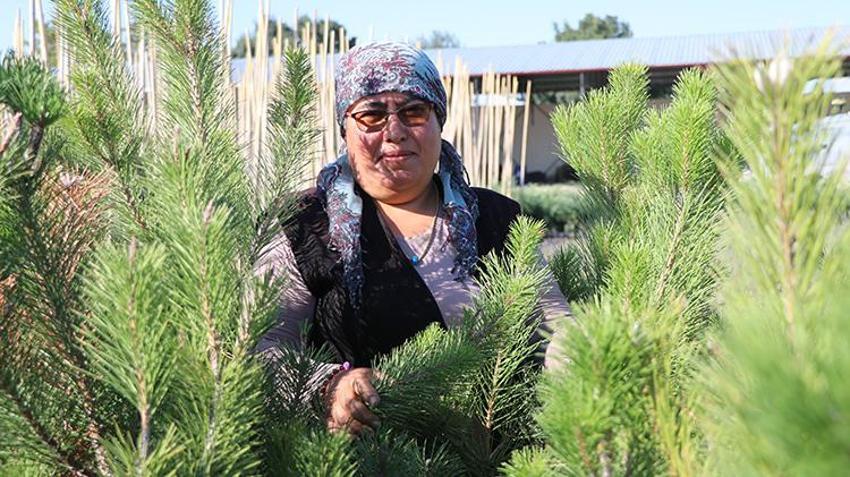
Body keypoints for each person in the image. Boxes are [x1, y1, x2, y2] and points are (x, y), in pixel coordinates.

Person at [256, 41, 570, 436]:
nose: (395, 132)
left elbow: (557, 326)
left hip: (496, 455)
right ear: (345, 129)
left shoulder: (494, 219)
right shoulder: (303, 225)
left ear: (439, 121)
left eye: (414, 112)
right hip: (365, 458)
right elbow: (262, 351)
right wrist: (329, 388)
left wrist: (572, 373)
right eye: (371, 114)